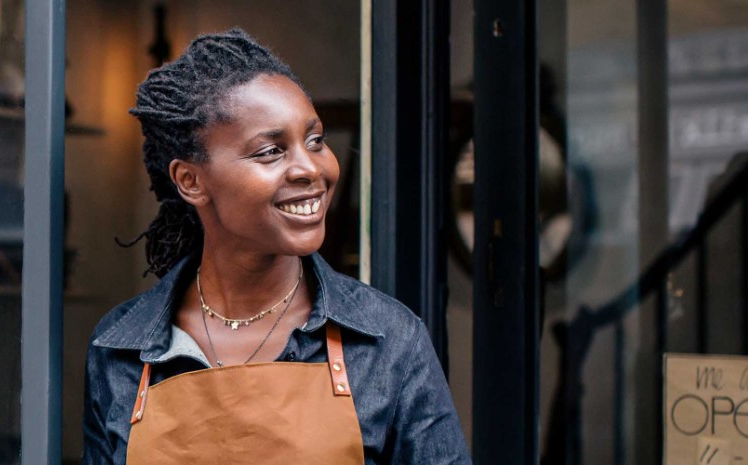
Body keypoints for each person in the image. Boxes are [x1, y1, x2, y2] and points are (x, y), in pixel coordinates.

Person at [82, 29, 471, 464]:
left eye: (315, 140)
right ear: (191, 181)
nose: (310, 168)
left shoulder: (390, 340)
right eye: (270, 152)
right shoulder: (120, 350)